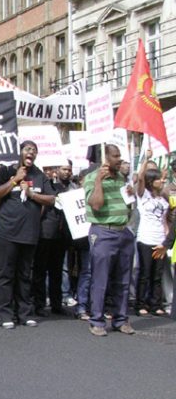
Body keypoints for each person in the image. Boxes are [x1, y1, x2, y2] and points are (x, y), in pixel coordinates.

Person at [0, 140, 55, 329]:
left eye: (34, 151)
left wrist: (33, 195)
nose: (31, 153)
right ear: (19, 152)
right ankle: (4, 314)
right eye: (28, 149)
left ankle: (24, 313)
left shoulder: (39, 175)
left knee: (25, 274)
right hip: (7, 232)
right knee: (6, 273)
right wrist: (14, 180)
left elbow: (51, 199)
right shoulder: (5, 171)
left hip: (30, 233)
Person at [84, 144, 136, 336]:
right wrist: (99, 180)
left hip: (123, 232)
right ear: (105, 158)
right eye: (116, 156)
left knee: (123, 280)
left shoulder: (121, 178)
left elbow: (128, 207)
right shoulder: (91, 178)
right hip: (103, 233)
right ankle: (96, 320)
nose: (120, 159)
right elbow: (96, 205)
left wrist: (130, 196)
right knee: (101, 279)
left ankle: (120, 319)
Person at [33, 162, 76, 316]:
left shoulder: (70, 188)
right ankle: (39, 304)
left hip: (61, 235)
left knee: (56, 271)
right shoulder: (44, 186)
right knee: (40, 271)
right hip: (45, 233)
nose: (49, 172)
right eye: (47, 169)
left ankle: (56, 304)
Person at [134, 150, 169, 316]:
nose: (161, 181)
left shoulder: (163, 198)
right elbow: (140, 178)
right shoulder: (143, 195)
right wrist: (146, 159)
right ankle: (140, 303)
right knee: (145, 273)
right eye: (157, 180)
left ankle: (155, 304)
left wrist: (167, 239)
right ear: (150, 182)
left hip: (159, 239)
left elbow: (164, 220)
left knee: (157, 275)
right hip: (145, 238)